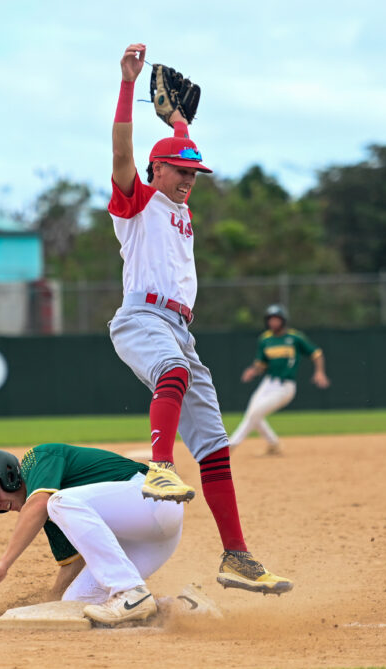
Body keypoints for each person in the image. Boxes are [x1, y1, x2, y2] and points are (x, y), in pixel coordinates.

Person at [107, 42, 291, 594]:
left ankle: (236, 556)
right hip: (141, 317)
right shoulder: (137, 202)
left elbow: (182, 147)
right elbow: (122, 153)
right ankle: (160, 464)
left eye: (195, 173)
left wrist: (181, 122)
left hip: (182, 330)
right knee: (172, 371)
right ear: (155, 170)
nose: (189, 179)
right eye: (180, 171)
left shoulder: (181, 202)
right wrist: (126, 84)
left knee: (214, 445)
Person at [0, 444, 184, 625]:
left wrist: (3, 564)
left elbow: (39, 504)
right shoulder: (53, 513)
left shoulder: (37, 459)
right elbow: (72, 564)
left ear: (7, 474)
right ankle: (178, 608)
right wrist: (52, 601)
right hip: (150, 540)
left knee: (58, 502)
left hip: (153, 499)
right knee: (74, 606)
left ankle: (129, 589)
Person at [229, 304, 330, 455]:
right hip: (268, 383)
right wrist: (253, 371)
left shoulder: (294, 337)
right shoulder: (265, 339)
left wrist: (320, 372)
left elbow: (317, 353)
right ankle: (274, 445)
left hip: (285, 386)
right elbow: (261, 364)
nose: (273, 322)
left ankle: (230, 446)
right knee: (253, 413)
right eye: (270, 319)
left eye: (276, 319)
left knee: (255, 413)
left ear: (283, 320)